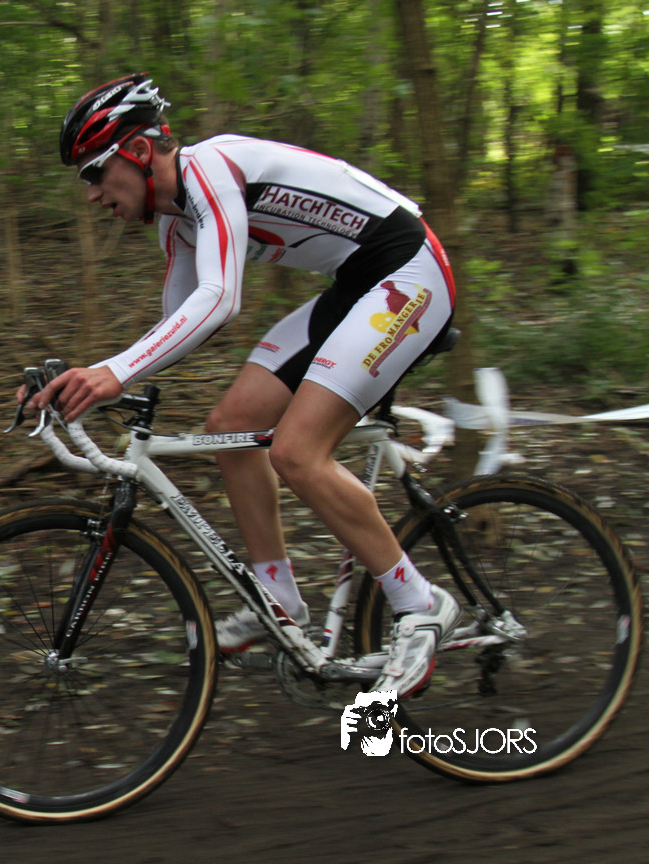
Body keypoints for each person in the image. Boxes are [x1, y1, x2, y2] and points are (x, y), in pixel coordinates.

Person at [28, 73, 460, 699]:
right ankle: (279, 598)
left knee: (297, 452)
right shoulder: (176, 222)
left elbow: (220, 299)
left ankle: (419, 603)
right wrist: (84, 382)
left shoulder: (210, 171)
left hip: (409, 271)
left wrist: (112, 372)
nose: (92, 194)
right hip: (354, 286)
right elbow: (179, 327)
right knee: (230, 429)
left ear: (140, 151)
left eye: (95, 172)